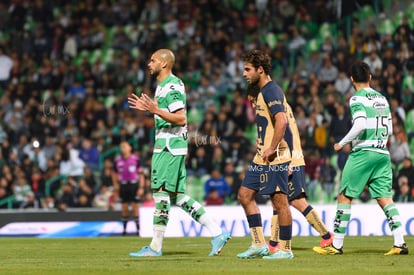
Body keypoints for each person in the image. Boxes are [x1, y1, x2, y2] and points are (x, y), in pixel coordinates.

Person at [127, 49, 230, 257]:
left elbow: (181, 118)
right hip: (174, 147)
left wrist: (155, 110)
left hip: (168, 148)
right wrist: (152, 110)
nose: (149, 63)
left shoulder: (171, 86)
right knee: (178, 197)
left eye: (153, 60)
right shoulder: (167, 85)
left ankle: (155, 247)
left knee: (161, 195)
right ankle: (217, 232)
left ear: (164, 64)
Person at [313, 61, 409, 256]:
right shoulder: (382, 98)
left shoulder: (357, 98)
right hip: (383, 153)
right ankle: (400, 243)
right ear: (370, 77)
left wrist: (342, 143)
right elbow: (390, 129)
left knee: (344, 195)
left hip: (364, 153)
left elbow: (360, 125)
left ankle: (336, 245)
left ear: (351, 79)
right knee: (385, 198)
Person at [247, 84, 334, 253]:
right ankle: (275, 243)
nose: (252, 106)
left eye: (253, 101)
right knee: (280, 199)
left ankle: (324, 236)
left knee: (291, 201)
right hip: (290, 157)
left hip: (288, 158)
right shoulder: (280, 104)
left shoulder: (272, 106)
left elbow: (285, 132)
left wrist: (287, 161)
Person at [237, 49, 293, 260]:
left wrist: (272, 147)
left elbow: (282, 120)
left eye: (247, 69)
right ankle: (259, 244)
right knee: (244, 195)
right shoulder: (261, 92)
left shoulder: (271, 91)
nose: (244, 73)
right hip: (262, 156)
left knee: (280, 203)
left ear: (260, 70)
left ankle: (286, 249)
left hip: (275, 156)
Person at [112, 141, 144, 236]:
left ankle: (138, 230)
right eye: (121, 147)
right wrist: (116, 185)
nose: (123, 148)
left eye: (125, 146)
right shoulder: (117, 161)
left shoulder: (136, 159)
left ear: (130, 148)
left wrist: (141, 187)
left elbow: (141, 174)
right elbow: (114, 173)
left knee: (135, 207)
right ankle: (124, 230)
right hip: (123, 185)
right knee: (124, 208)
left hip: (134, 185)